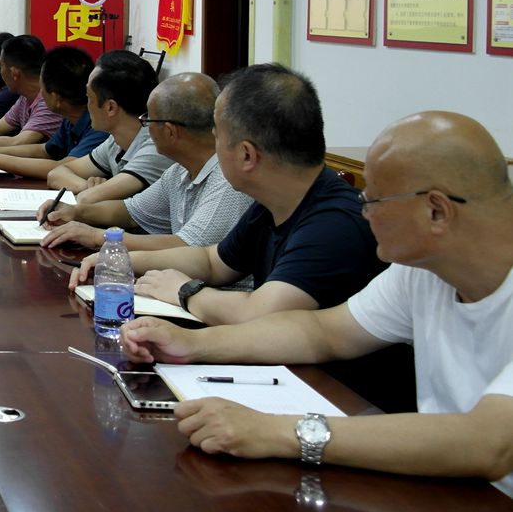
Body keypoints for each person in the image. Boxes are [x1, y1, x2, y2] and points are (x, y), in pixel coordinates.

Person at [119, 111, 513, 494]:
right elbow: (323, 332)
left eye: (374, 201)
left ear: (436, 211)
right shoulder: (421, 271)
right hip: (451, 491)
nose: (364, 214)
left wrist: (277, 431)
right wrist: (193, 344)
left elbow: (488, 444)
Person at [71, 63, 384, 325]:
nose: (212, 145)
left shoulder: (333, 222)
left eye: (217, 135)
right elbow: (212, 260)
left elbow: (261, 314)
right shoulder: (272, 203)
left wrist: (185, 291)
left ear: (247, 155)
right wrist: (120, 259)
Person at [41, 73, 253, 252]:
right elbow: (130, 212)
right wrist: (75, 212)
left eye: (148, 120)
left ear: (169, 131)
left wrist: (97, 237)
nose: (145, 128)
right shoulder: (178, 171)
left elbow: (188, 247)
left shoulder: (227, 179)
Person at [0, 46, 106, 178]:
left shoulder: (100, 126)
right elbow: (43, 150)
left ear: (56, 98)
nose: (40, 92)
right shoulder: (70, 119)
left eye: (42, 87)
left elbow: (64, 167)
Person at [45, 50, 172, 204]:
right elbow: (56, 174)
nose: (87, 105)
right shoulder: (116, 141)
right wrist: (87, 186)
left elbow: (87, 199)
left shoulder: (155, 145)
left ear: (110, 107)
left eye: (89, 97)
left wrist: (93, 192)